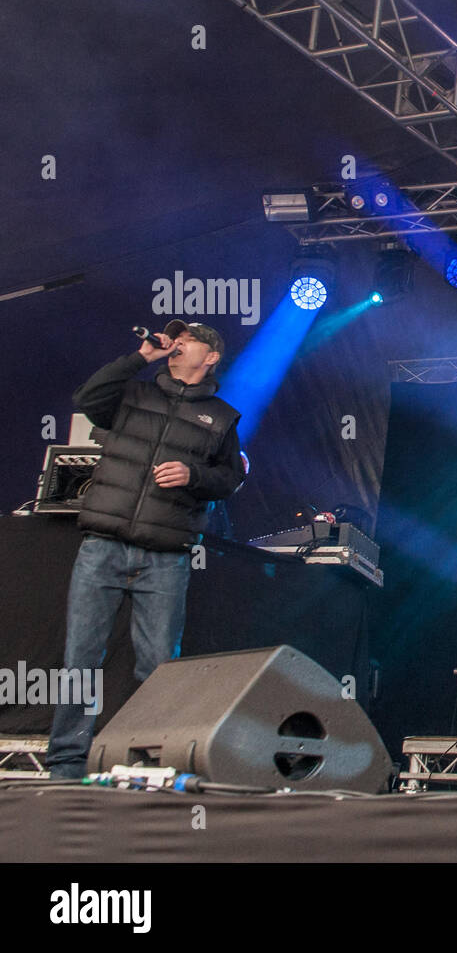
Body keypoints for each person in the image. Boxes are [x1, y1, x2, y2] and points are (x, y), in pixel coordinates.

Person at [46, 320, 243, 779]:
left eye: (188, 339)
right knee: (81, 658)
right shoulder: (134, 395)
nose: (176, 343)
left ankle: (151, 762)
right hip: (104, 546)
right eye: (174, 338)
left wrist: (194, 476)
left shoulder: (221, 416)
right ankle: (66, 764)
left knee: (158, 667)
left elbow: (230, 478)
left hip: (165, 554)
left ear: (211, 356)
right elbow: (86, 400)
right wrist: (141, 357)